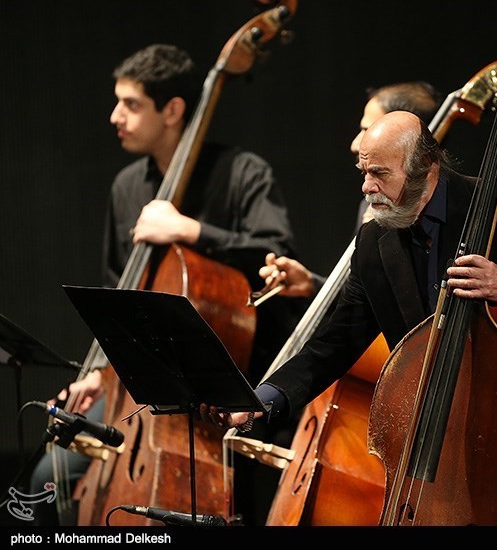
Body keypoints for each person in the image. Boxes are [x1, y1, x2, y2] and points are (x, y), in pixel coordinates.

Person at [200, 111, 497, 510]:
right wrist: (259, 401)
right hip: (428, 439)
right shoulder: (373, 241)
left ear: (424, 167)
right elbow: (332, 345)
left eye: (380, 174)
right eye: (363, 172)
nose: (367, 187)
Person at [28, 43, 304, 526]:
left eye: (131, 104)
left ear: (173, 110)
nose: (116, 116)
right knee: (47, 479)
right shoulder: (126, 187)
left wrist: (190, 230)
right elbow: (120, 298)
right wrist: (102, 374)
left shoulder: (243, 173)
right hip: (140, 399)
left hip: (233, 395)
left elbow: (276, 249)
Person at [259, 80, 443, 300]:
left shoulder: (441, 211)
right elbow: (364, 303)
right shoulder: (371, 204)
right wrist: (312, 283)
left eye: (367, 129)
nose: (355, 144)